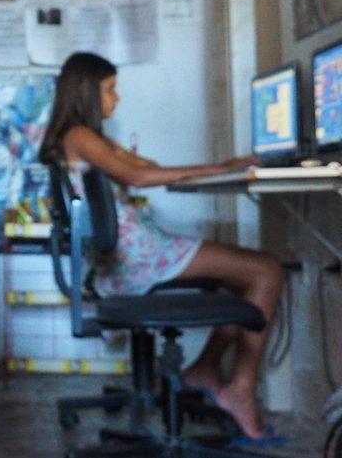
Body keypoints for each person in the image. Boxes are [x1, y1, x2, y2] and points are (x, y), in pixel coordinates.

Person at [39, 51, 284, 441]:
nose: (116, 99)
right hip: (137, 256)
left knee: (243, 279)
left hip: (129, 252)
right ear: (87, 92)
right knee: (266, 270)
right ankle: (239, 389)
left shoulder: (85, 137)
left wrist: (219, 165)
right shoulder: (80, 136)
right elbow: (137, 177)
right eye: (110, 90)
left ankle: (205, 369)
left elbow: (143, 164)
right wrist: (221, 168)